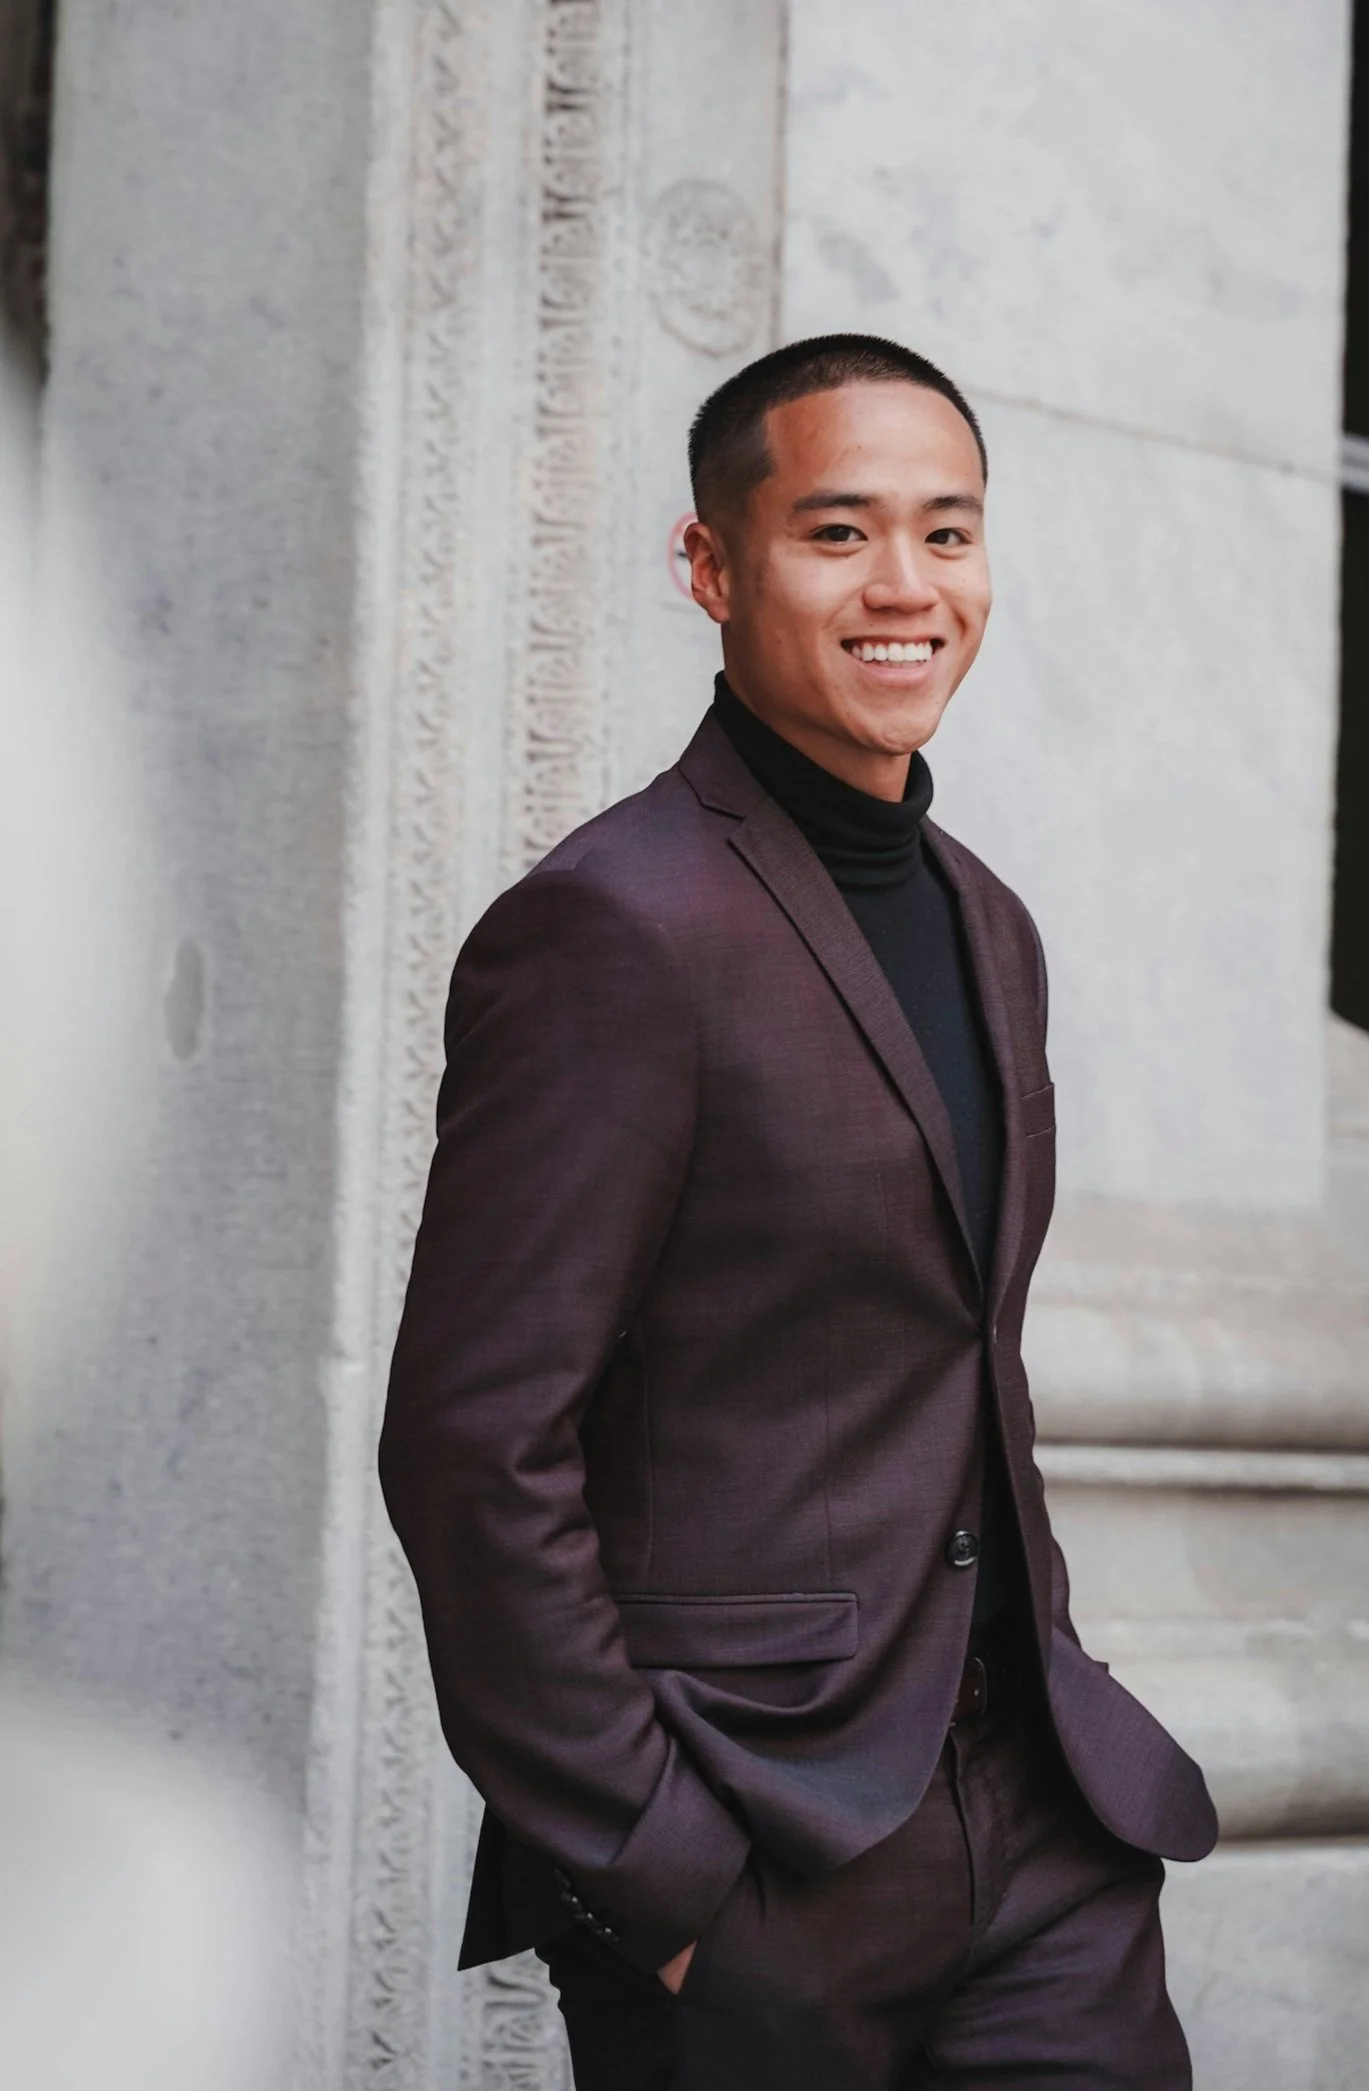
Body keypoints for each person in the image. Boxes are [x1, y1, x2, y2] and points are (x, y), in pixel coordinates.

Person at [379, 334, 1216, 2089]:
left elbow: (950, 1351)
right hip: (759, 1844)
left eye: (947, 531)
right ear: (710, 564)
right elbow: (472, 1439)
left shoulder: (990, 923)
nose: (904, 586)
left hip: (1043, 1833)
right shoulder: (613, 926)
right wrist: (667, 1875)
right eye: (836, 534)